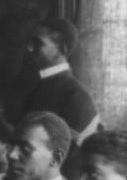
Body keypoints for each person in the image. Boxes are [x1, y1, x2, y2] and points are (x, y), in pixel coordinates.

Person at [23, 17, 100, 154]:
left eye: (38, 43)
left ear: (61, 50)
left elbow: (74, 158)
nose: (29, 48)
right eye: (30, 42)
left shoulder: (76, 95)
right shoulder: (37, 85)